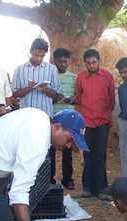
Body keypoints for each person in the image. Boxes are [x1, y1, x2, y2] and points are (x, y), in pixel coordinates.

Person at [76, 49, 115, 200]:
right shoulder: (81, 78)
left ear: (99, 61)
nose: (92, 65)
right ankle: (87, 187)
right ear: (85, 63)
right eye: (89, 63)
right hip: (86, 122)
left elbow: (111, 99)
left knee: (100, 154)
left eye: (94, 62)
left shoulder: (108, 77)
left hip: (103, 121)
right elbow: (80, 100)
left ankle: (101, 188)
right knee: (87, 154)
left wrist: (104, 113)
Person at [11, 38, 60, 116]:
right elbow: (14, 94)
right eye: (36, 55)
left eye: (42, 56)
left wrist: (46, 89)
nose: (39, 59)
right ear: (31, 51)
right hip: (26, 115)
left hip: (45, 114)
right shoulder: (20, 69)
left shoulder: (51, 69)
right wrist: (28, 88)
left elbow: (56, 94)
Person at [51, 48, 78, 189]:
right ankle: (50, 179)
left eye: (65, 61)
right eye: (60, 61)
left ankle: (68, 179)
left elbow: (79, 100)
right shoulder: (50, 76)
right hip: (53, 116)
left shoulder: (74, 78)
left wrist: (71, 100)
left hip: (69, 117)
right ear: (54, 60)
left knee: (67, 149)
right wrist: (55, 97)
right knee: (51, 150)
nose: (62, 63)